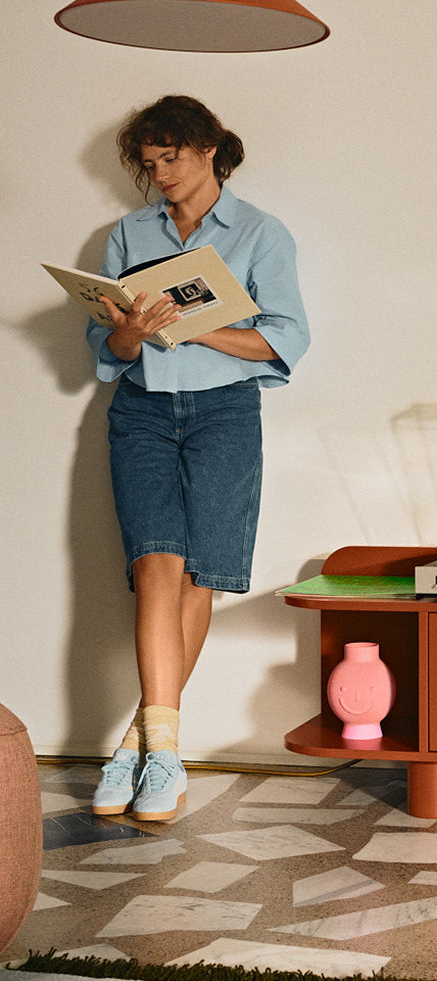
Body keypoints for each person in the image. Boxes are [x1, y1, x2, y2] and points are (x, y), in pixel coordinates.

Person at [86, 96, 309, 821]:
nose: (161, 174)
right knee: (156, 566)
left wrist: (195, 324)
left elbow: (283, 340)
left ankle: (143, 750)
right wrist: (131, 331)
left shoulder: (261, 233)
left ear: (208, 149)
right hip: (142, 412)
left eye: (171, 157)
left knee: (196, 580)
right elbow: (108, 350)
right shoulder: (129, 234)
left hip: (225, 413)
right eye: (149, 164)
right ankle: (165, 755)